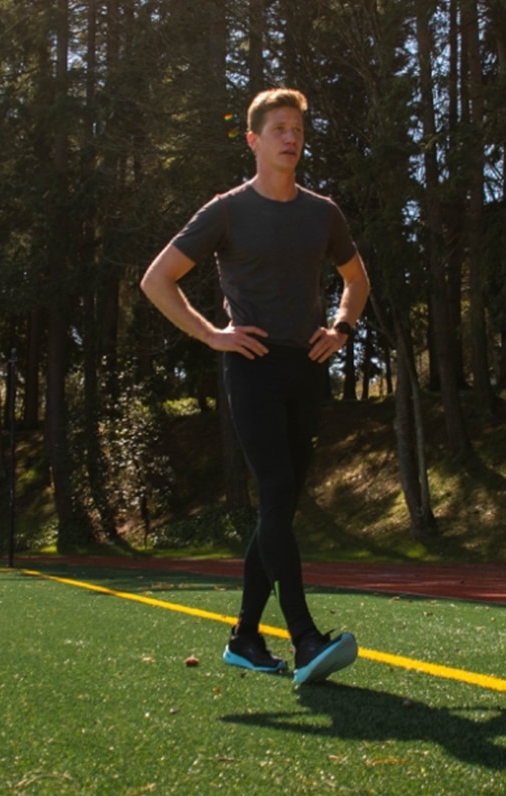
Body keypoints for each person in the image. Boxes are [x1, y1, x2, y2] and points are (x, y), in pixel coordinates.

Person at [140, 88, 370, 685]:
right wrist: (214, 335)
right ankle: (305, 639)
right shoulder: (227, 210)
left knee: (281, 506)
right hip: (252, 365)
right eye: (278, 129)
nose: (291, 137)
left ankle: (244, 636)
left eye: (297, 128)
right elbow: (157, 280)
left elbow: (356, 280)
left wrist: (342, 329)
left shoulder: (323, 213)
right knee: (274, 492)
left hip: (305, 367)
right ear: (254, 140)